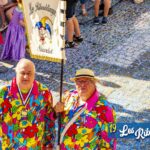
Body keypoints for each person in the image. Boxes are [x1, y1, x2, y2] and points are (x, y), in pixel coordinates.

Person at [0, 58, 63, 149]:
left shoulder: (43, 92)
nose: (26, 77)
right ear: (16, 73)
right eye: (22, 73)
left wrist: (48, 144)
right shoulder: (3, 93)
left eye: (29, 73)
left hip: (35, 146)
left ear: (34, 75)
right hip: (10, 146)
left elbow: (49, 120)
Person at [60, 68, 116, 149]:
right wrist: (55, 111)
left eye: (86, 81)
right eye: (79, 81)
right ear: (75, 84)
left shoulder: (106, 109)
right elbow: (56, 118)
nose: (82, 85)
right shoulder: (69, 97)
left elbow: (110, 143)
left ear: (94, 83)